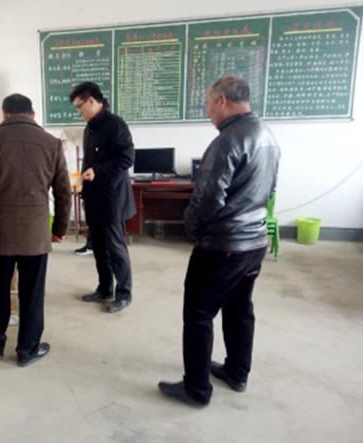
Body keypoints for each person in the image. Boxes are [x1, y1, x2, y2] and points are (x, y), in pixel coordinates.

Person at [158, 76, 280, 407]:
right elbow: (270, 190)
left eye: (208, 105)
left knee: (198, 314)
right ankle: (237, 372)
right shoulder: (267, 135)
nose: (208, 112)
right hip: (254, 242)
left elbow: (208, 197)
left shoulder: (227, 141)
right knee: (240, 309)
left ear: (222, 101)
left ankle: (196, 390)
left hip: (223, 245)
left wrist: (192, 228)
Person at [0, 93, 71, 366]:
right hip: (35, 233)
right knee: (32, 293)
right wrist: (59, 228)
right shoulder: (52, 144)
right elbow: (63, 192)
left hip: (0, 232)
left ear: (5, 114)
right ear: (32, 114)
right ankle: (27, 350)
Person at [69, 82, 135, 313]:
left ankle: (124, 293)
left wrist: (98, 171)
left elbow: (127, 158)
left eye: (79, 106)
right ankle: (105, 288)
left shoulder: (116, 125)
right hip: (94, 197)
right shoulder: (89, 128)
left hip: (112, 199)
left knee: (116, 248)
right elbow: (89, 162)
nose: (79, 112)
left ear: (91, 101)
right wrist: (85, 189)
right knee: (98, 247)